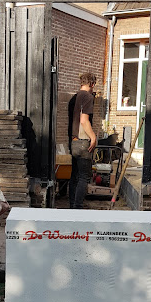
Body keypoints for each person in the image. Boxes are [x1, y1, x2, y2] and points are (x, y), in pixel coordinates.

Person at [68, 72, 97, 209]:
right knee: (83, 176)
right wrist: (93, 137)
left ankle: (72, 205)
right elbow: (84, 121)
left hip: (73, 141)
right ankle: (78, 208)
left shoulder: (74, 98)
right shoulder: (87, 97)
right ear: (92, 84)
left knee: (74, 175)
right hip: (83, 140)